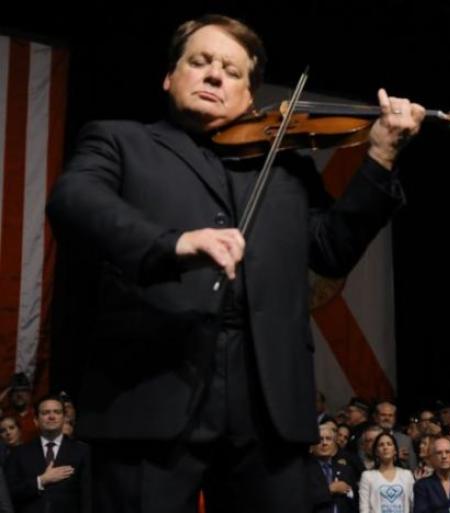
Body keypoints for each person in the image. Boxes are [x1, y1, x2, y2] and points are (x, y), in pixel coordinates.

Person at [45, 13, 424, 513]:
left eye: (231, 70)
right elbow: (74, 199)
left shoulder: (287, 165)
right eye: (199, 62)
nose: (214, 74)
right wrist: (172, 243)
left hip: (268, 404)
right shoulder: (119, 141)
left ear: (250, 95)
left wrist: (379, 157)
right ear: (169, 76)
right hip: (151, 388)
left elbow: (331, 249)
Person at [4, 395, 91, 513]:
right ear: (36, 420)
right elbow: (9, 493)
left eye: (57, 412)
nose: (51, 416)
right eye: (45, 413)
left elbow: (87, 496)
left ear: (64, 418)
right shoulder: (19, 453)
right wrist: (41, 481)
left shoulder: (81, 451)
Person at [358, 431, 415, 513]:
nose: (385, 447)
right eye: (381, 445)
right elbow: (364, 508)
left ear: (395, 450)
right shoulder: (367, 476)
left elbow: (413, 504)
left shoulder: (407, 475)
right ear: (376, 452)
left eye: (389, 444)